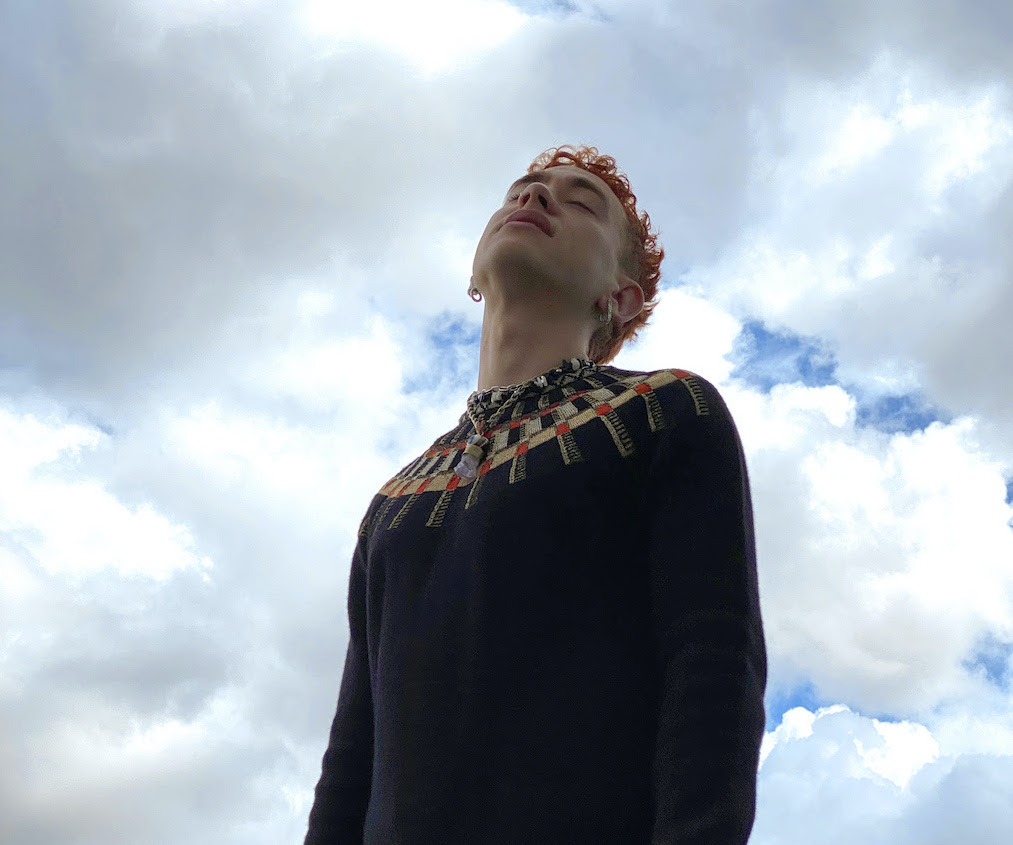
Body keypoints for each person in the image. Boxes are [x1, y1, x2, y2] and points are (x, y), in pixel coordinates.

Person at [304, 145, 767, 844]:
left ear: (620, 298)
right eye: (521, 189)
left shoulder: (665, 410)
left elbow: (712, 666)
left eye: (581, 202)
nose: (535, 197)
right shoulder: (395, 501)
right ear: (473, 274)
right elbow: (352, 756)